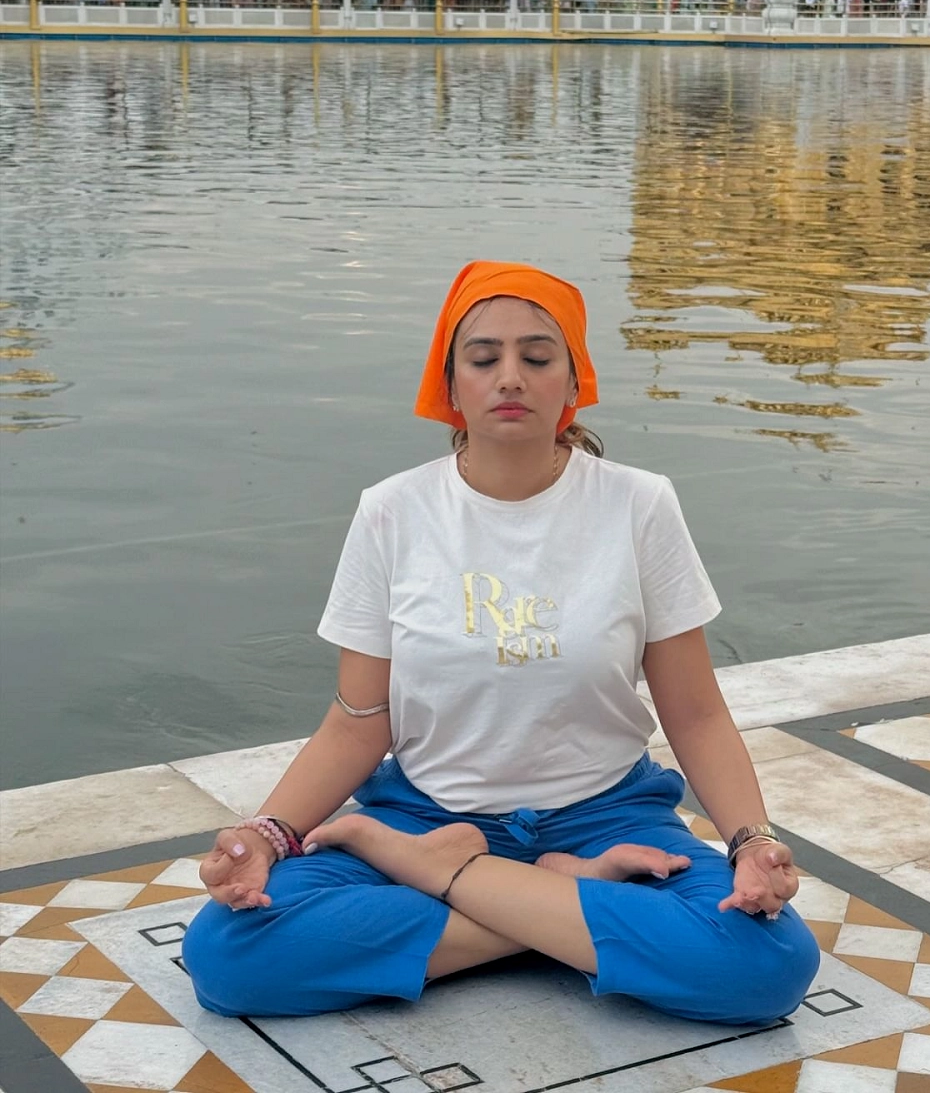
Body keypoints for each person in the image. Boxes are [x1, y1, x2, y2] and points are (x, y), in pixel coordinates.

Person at [183, 262, 818, 1026]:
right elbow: (358, 718)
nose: (509, 378)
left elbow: (696, 715)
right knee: (229, 953)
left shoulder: (639, 506)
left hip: (607, 819)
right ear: (450, 382)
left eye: (537, 357)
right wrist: (268, 834)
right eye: (484, 359)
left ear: (574, 379)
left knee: (769, 966)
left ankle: (455, 881)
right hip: (424, 813)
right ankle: (576, 906)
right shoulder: (393, 512)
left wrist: (751, 841)